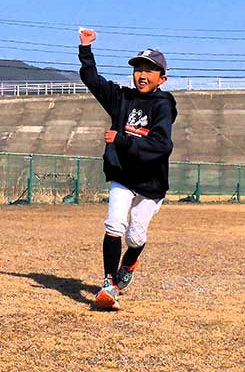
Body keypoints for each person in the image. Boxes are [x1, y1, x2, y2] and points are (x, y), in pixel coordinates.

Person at [78, 28, 178, 311]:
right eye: (138, 69)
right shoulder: (121, 98)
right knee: (114, 225)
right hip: (124, 176)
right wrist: (86, 50)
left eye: (150, 71)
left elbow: (162, 146)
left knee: (135, 236)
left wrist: (122, 139)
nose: (142, 75)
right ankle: (109, 283)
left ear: (162, 79)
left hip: (151, 183)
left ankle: (130, 262)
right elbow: (93, 81)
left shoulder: (163, 106)